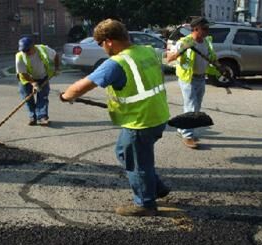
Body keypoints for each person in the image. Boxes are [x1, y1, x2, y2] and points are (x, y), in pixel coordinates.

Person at [59, 19, 170, 217]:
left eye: (101, 44)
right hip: (157, 115)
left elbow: (82, 86)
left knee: (136, 162)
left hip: (140, 121)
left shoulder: (116, 63)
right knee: (123, 152)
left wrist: (66, 96)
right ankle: (156, 187)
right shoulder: (148, 51)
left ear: (109, 41)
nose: (102, 49)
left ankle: (145, 203)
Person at [166, 17, 218, 149]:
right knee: (191, 106)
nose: (207, 31)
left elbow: (212, 58)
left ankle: (183, 128)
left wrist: (220, 68)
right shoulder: (185, 42)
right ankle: (187, 135)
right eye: (204, 29)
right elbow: (168, 58)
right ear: (195, 29)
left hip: (201, 78)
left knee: (197, 106)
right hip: (188, 79)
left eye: (208, 28)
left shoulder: (207, 41)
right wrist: (182, 50)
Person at [15, 37, 60, 126]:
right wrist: (33, 83)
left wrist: (57, 68)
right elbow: (23, 74)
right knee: (28, 97)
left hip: (42, 76)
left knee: (43, 97)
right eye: (23, 50)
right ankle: (33, 117)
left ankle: (42, 117)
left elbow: (56, 56)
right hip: (26, 79)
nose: (25, 52)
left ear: (33, 46)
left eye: (27, 50)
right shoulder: (19, 56)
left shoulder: (44, 49)